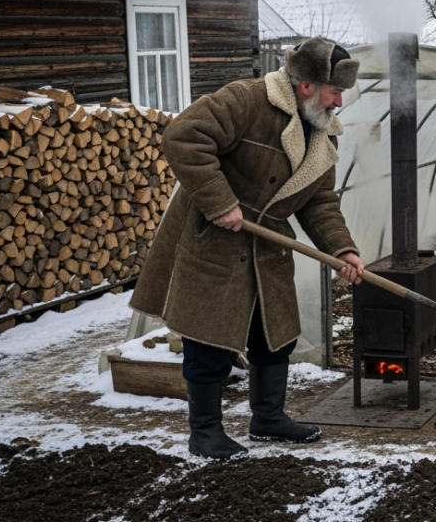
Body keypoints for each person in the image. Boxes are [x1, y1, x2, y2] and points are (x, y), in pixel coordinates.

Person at [131, 37, 366, 459]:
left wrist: (343, 250)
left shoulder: (322, 134)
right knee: (209, 341)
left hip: (267, 246)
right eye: (335, 91)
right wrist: (219, 201)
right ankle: (205, 433)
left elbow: (319, 202)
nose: (340, 102)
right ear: (307, 85)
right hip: (214, 240)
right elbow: (183, 137)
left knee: (274, 337)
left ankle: (268, 418)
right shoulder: (246, 100)